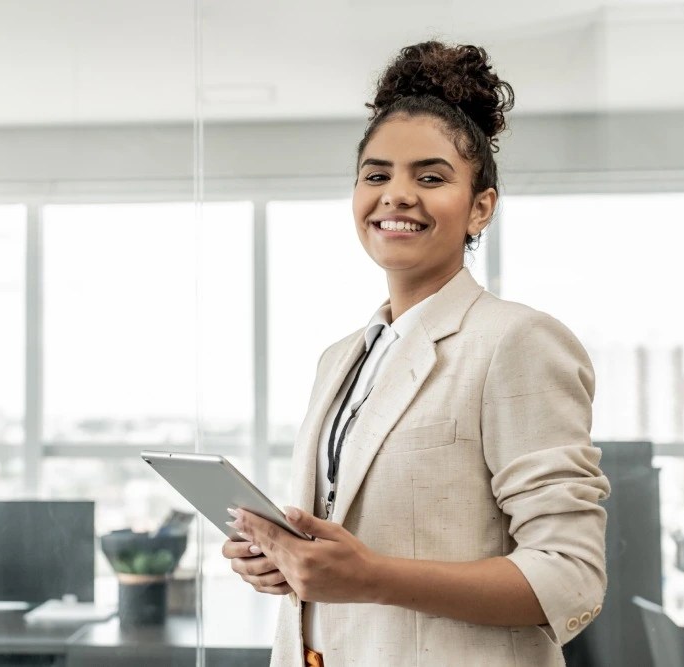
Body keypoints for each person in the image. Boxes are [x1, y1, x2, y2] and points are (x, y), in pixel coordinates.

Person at [222, 41, 610, 667]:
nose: (396, 195)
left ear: (480, 208)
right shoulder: (341, 357)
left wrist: (370, 576)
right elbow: (353, 544)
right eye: (377, 175)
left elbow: (569, 577)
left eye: (430, 177)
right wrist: (288, 562)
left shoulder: (517, 341)